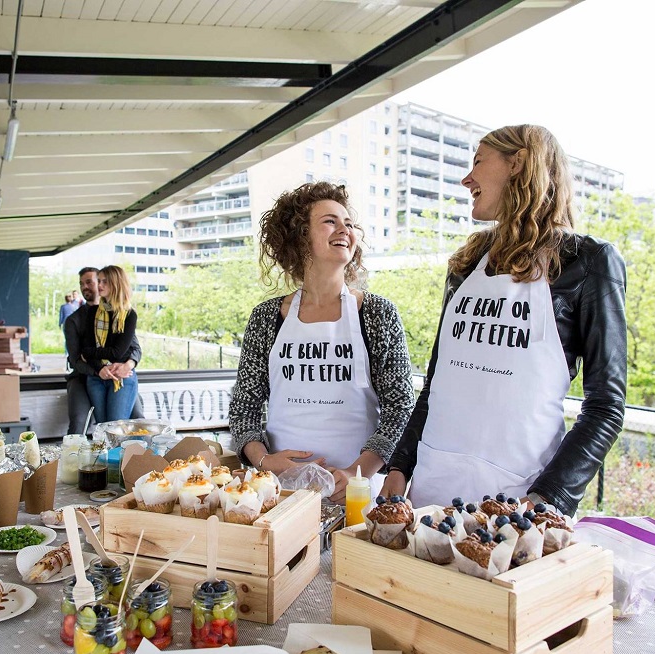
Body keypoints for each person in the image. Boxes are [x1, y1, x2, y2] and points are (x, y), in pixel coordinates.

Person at [381, 125, 627, 516]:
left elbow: (605, 406)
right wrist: (399, 467)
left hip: (519, 501)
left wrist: (546, 498)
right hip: (430, 487)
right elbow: (438, 383)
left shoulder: (587, 263)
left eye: (478, 162)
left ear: (518, 164)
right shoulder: (466, 265)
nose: (466, 178)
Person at [229, 182, 415, 502]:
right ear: (300, 237)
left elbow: (401, 409)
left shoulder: (377, 314)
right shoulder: (266, 318)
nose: (345, 228)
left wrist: (358, 471)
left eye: (349, 223)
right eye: (330, 221)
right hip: (279, 492)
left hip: (355, 491)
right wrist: (263, 460)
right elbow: (243, 410)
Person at [65, 266, 143, 434]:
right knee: (91, 425)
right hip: (87, 375)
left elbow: (131, 349)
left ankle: (140, 458)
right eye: (81, 284)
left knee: (133, 419)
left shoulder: (125, 314)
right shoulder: (79, 318)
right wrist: (99, 369)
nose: (86, 287)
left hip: (119, 374)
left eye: (90, 282)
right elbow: (77, 358)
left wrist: (128, 364)